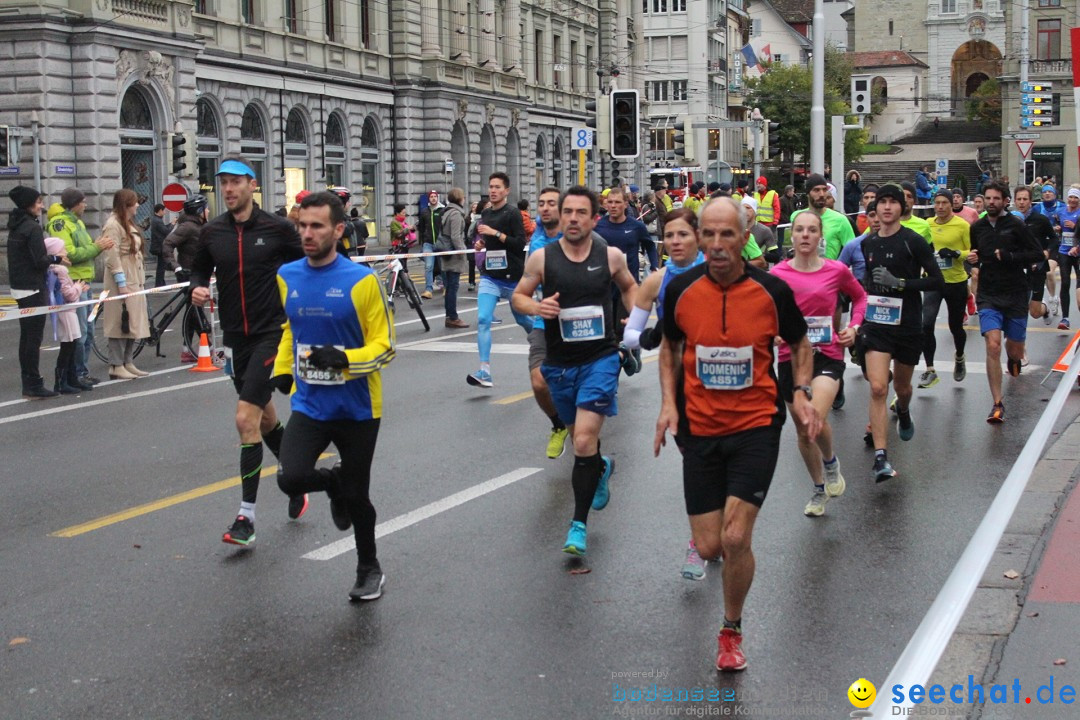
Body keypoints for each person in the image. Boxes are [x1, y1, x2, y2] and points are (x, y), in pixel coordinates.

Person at [654, 196, 820, 672]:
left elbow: (800, 343)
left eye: (728, 234)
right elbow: (669, 348)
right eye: (709, 234)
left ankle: (731, 629)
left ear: (746, 238)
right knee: (709, 547)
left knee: (733, 536)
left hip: (756, 425)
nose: (717, 244)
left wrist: (803, 391)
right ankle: (729, 568)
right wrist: (668, 404)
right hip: (701, 430)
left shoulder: (772, 291)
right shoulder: (682, 289)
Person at [272, 191, 395, 601]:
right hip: (309, 403)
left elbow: (385, 347)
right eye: (302, 226)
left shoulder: (361, 281)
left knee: (358, 496)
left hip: (358, 407)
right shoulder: (287, 275)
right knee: (291, 478)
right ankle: (335, 481)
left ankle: (368, 568)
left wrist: (343, 359)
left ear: (339, 230)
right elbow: (291, 329)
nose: (307, 233)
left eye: (317, 226)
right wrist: (283, 369)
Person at [511, 185, 638, 556]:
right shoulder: (542, 259)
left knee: (583, 441)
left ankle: (578, 525)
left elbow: (630, 287)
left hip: (600, 359)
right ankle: (601, 466)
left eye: (581, 212)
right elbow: (518, 295)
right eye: (567, 212)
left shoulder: (610, 256)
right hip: (559, 364)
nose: (572, 218)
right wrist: (536, 309)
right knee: (583, 443)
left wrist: (632, 318)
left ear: (593, 218)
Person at [189, 156, 306, 546]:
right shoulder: (213, 232)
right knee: (265, 419)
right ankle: (296, 479)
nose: (228, 189)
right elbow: (198, 267)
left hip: (272, 333)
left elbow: (307, 263)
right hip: (234, 337)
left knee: (244, 419)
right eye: (223, 183)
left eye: (236, 182)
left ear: (252, 185)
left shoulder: (277, 229)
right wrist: (197, 286)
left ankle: (246, 518)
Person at [771, 211, 866, 517]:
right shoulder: (778, 275)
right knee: (802, 429)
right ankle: (817, 487)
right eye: (800, 230)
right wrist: (772, 333)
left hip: (827, 353)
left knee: (813, 414)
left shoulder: (836, 270)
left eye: (812, 230)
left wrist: (854, 327)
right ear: (792, 236)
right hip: (789, 358)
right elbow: (762, 311)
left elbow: (861, 298)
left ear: (820, 236)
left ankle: (830, 462)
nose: (806, 235)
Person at [858, 184, 944, 481]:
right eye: (882, 202)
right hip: (877, 324)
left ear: (901, 208)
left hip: (907, 324)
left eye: (893, 202)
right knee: (879, 387)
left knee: (903, 389)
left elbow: (937, 281)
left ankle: (904, 410)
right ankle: (881, 457)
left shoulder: (914, 241)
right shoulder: (868, 243)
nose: (886, 207)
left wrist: (902, 283)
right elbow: (866, 283)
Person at [967, 182, 1044, 423]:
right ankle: (997, 403)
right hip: (989, 293)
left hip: (1015, 293)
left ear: (1004, 201)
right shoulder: (977, 227)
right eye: (987, 198)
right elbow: (974, 255)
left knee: (1015, 348)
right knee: (992, 344)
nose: (991, 202)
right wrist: (972, 261)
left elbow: (1037, 255)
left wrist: (1010, 257)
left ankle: (1013, 359)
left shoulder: (1017, 225)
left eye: (995, 198)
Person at [467, 172, 532, 388]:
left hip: (513, 278)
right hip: (491, 277)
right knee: (484, 319)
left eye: (497, 187)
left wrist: (495, 234)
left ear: (506, 191)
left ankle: (545, 343)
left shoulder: (513, 213)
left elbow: (519, 243)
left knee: (523, 320)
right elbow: (488, 242)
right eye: (491, 186)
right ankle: (484, 370)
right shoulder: (485, 214)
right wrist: (481, 245)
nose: (493, 190)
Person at [49, 186, 113, 386]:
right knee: (80, 332)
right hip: (73, 283)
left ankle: (82, 372)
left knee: (89, 330)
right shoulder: (60, 224)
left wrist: (96, 246)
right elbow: (70, 255)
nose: (86, 205)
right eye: (83, 202)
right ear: (75, 203)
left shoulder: (77, 222)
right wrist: (96, 247)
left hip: (85, 281)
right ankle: (75, 374)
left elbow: (82, 250)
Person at [526, 187, 571, 460]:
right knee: (539, 382)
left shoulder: (576, 238)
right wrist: (532, 307)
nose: (544, 208)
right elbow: (526, 285)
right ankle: (557, 425)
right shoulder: (537, 241)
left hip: (578, 323)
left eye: (550, 203)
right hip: (545, 324)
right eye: (541, 203)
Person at [8, 185, 63, 399]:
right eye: (39, 202)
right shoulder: (31, 228)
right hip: (32, 287)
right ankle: (32, 384)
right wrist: (56, 259)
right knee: (33, 338)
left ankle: (29, 381)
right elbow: (39, 261)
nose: (41, 206)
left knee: (27, 338)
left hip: (19, 286)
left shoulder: (16, 225)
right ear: (29, 204)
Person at [918, 189, 972, 389]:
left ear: (951, 205)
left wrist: (956, 253)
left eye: (944, 203)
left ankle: (959, 356)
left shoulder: (962, 225)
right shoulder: (927, 224)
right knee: (926, 325)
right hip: (933, 282)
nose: (940, 207)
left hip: (955, 281)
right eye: (937, 203)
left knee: (955, 326)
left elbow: (972, 252)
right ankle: (930, 369)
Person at [100, 189, 151, 380]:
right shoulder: (113, 225)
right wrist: (120, 281)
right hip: (121, 280)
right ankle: (116, 364)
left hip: (134, 278)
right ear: (126, 204)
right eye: (135, 202)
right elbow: (111, 255)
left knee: (133, 321)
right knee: (119, 321)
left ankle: (128, 362)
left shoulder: (126, 223)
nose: (138, 205)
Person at [163, 194, 213, 362]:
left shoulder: (198, 226)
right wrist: (175, 266)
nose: (209, 210)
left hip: (198, 273)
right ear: (199, 211)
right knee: (196, 311)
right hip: (188, 274)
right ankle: (208, 346)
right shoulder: (188, 227)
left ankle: (187, 348)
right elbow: (167, 244)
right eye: (206, 208)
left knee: (191, 311)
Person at [43, 236, 89, 394]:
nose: (65, 252)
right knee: (68, 346)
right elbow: (68, 294)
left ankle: (70, 378)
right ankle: (63, 381)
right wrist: (78, 287)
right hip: (67, 312)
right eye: (62, 249)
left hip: (66, 311)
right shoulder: (60, 270)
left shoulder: (54, 269)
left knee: (71, 345)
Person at [1013, 185, 1058, 326]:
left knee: (1035, 312)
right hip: (1017, 268)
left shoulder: (1040, 220)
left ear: (1031, 201)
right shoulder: (1009, 220)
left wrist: (1047, 252)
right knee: (1017, 306)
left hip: (1037, 268)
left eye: (1025, 199)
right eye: (1019, 199)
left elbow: (1054, 239)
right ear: (1014, 201)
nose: (1021, 202)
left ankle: (1044, 310)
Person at [791, 174, 854, 260]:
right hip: (802, 270)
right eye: (816, 190)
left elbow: (853, 252)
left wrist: (839, 268)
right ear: (808, 194)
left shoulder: (840, 220)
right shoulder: (797, 216)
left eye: (824, 190)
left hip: (829, 271)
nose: (821, 194)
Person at [439, 187, 469, 329]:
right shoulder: (456, 214)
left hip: (447, 251)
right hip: (453, 254)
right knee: (453, 286)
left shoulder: (447, 211)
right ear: (459, 199)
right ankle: (452, 317)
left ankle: (450, 316)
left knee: (450, 286)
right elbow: (456, 236)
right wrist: (463, 252)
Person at [1054, 189, 1080, 330]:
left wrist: (1075, 226)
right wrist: (1058, 228)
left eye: (1075, 197)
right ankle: (1065, 318)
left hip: (1078, 252)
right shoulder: (1061, 212)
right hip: (1064, 251)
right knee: (1065, 282)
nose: (1072, 200)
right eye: (1070, 197)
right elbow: (1057, 226)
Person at [417, 190, 444, 299]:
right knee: (429, 267)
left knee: (443, 266)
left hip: (440, 243)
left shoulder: (442, 211)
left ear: (437, 198)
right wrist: (424, 241)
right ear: (429, 198)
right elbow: (421, 228)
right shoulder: (424, 212)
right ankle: (428, 290)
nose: (433, 198)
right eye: (431, 196)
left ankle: (445, 287)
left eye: (435, 196)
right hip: (428, 243)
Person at [739, 196, 773, 266]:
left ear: (755, 211)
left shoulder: (764, 230)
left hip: (759, 272)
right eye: (742, 208)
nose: (745, 211)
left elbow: (775, 256)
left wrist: (759, 255)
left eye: (748, 208)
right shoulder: (736, 229)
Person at [149, 203, 173, 287]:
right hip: (159, 246)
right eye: (164, 210)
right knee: (161, 267)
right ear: (160, 211)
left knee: (161, 266)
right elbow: (166, 231)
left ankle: (161, 283)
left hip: (158, 246)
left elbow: (164, 228)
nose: (165, 212)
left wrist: (170, 224)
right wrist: (172, 224)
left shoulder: (156, 220)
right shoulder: (157, 221)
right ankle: (160, 284)